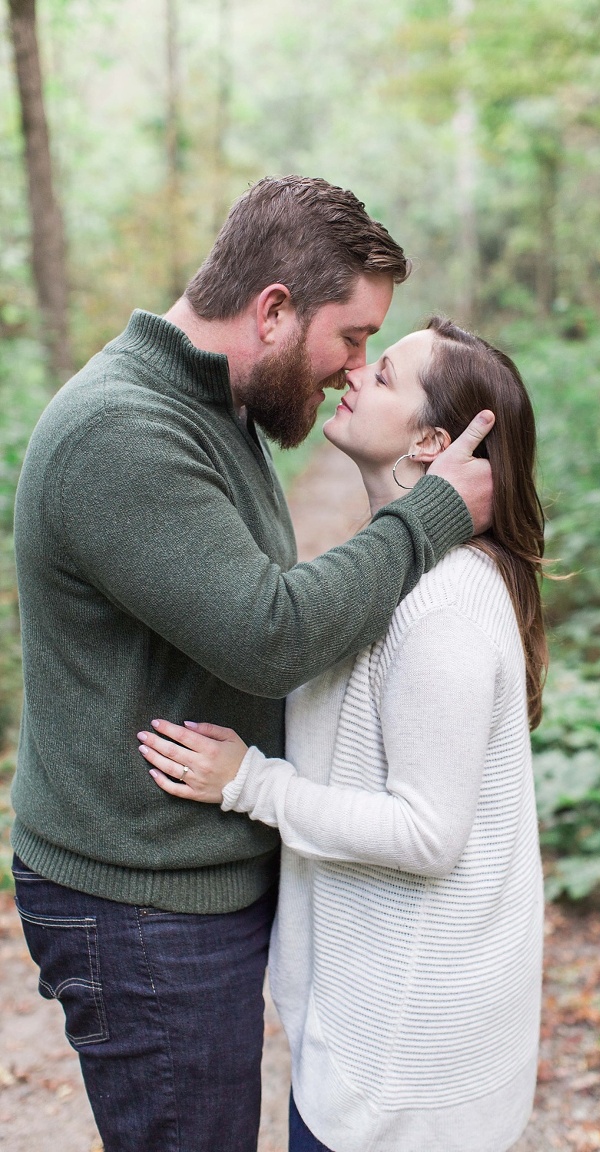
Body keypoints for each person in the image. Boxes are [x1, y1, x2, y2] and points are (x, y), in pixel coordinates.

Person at [11, 178, 494, 1152]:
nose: (353, 370)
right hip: (141, 897)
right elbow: (269, 632)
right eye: (352, 337)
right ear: (274, 309)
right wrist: (433, 513)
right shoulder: (124, 433)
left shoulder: (219, 405)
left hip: (184, 881)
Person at [138, 317, 546, 1152]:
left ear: (433, 442)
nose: (355, 373)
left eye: (385, 374)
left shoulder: (446, 607)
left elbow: (429, 834)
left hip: (406, 1075)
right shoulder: (394, 569)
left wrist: (251, 783)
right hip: (365, 1034)